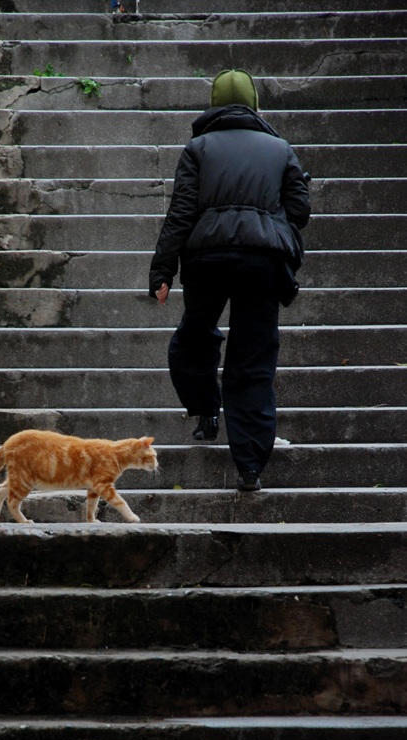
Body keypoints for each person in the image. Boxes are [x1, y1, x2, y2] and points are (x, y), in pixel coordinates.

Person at [149, 68, 311, 491]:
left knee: (195, 337)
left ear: (214, 105)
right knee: (252, 359)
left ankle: (206, 410)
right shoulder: (280, 148)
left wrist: (162, 270)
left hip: (207, 258)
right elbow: (300, 210)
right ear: (255, 105)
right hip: (262, 261)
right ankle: (250, 468)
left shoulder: (198, 147)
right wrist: (277, 232)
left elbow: (181, 212)